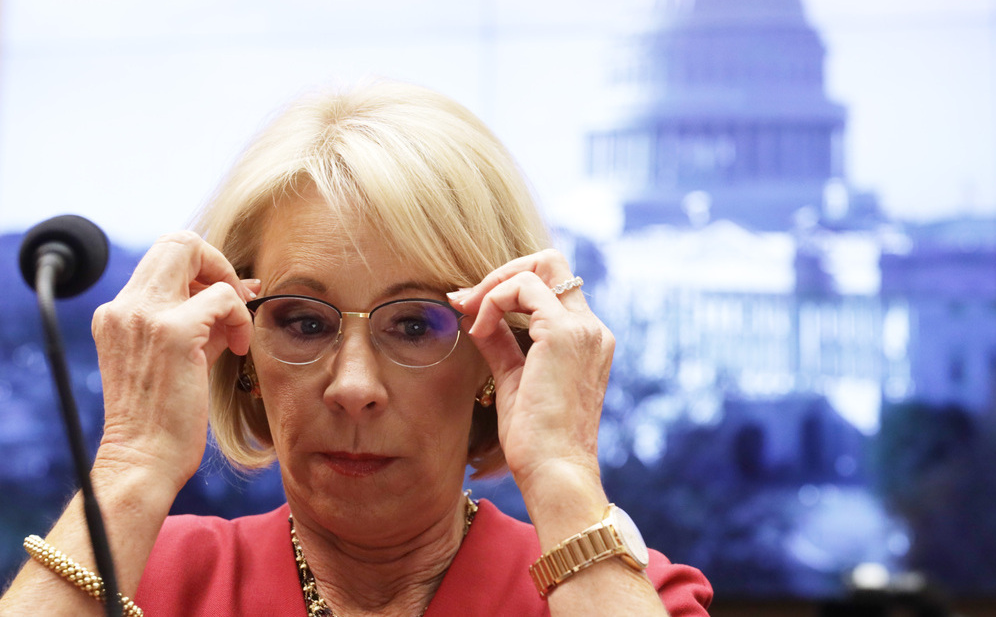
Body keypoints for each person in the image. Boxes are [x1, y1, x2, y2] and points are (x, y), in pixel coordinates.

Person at [0, 81, 712, 616]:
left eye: (414, 324)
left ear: (498, 358)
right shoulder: (144, 578)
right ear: (241, 354)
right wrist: (130, 465)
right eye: (304, 321)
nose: (353, 385)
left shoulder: (622, 587)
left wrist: (562, 470)